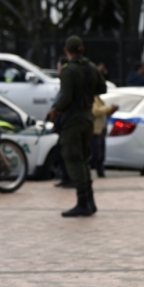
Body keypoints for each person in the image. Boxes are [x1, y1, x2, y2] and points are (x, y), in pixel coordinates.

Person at [54, 35, 106, 217]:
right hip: (88, 119)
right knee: (83, 159)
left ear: (66, 51)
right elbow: (103, 88)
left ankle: (83, 202)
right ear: (82, 49)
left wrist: (55, 109)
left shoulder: (69, 71)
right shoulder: (91, 67)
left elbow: (65, 98)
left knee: (72, 158)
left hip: (73, 121)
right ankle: (89, 201)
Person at [51, 56, 73, 188]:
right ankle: (65, 177)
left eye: (58, 66)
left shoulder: (67, 78)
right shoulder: (65, 79)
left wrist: (55, 111)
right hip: (63, 120)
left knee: (66, 150)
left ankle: (69, 178)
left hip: (66, 120)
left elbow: (64, 100)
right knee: (61, 150)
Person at [91, 95, 118, 178]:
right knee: (96, 155)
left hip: (101, 131)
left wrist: (110, 111)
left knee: (101, 156)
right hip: (95, 132)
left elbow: (103, 115)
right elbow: (95, 111)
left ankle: (101, 174)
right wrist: (109, 108)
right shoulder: (93, 98)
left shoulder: (99, 99)